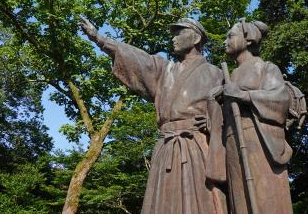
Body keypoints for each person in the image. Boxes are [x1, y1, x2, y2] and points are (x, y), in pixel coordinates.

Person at [79, 17, 226, 214]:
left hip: (196, 146)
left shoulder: (216, 74)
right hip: (166, 146)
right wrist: (99, 39)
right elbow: (137, 58)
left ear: (196, 37)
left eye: (179, 32)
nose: (173, 38)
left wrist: (214, 122)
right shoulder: (165, 70)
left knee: (199, 201)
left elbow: (231, 117)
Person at [222, 19, 293, 214]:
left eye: (230, 36)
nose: (224, 41)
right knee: (239, 198)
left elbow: (279, 98)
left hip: (258, 137)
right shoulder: (229, 76)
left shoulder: (265, 67)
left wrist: (244, 95)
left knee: (264, 195)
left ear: (248, 40)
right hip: (232, 140)